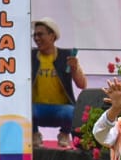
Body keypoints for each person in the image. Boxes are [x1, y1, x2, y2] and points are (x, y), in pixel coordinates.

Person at [30, 17, 87, 147]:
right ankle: (34, 134)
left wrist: (75, 69)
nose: (36, 38)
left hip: (60, 110)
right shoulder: (30, 56)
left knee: (71, 112)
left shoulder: (66, 56)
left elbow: (82, 85)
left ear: (52, 36)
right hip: (37, 109)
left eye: (40, 34)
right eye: (35, 35)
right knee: (25, 110)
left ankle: (64, 134)